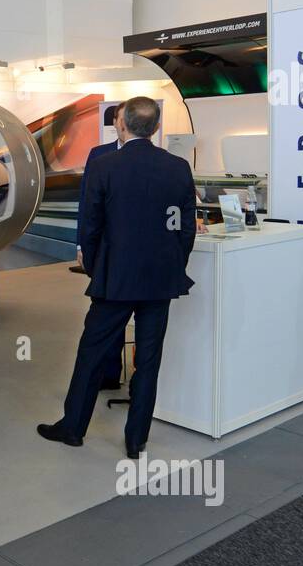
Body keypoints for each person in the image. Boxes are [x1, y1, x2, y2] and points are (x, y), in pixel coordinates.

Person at [37, 97, 196, 458]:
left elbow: (91, 225)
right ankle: (136, 439)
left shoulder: (105, 165)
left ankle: (73, 428)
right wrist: (174, 264)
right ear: (155, 128)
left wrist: (94, 266)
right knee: (149, 357)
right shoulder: (178, 167)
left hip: (117, 278)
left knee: (92, 352)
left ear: (121, 124)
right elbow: (185, 227)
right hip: (161, 279)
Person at [78, 102, 127, 390]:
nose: (121, 125)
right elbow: (86, 205)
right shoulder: (99, 155)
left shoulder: (158, 159)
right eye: (118, 119)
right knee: (105, 321)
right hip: (105, 254)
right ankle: (108, 374)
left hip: (131, 255)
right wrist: (82, 246)